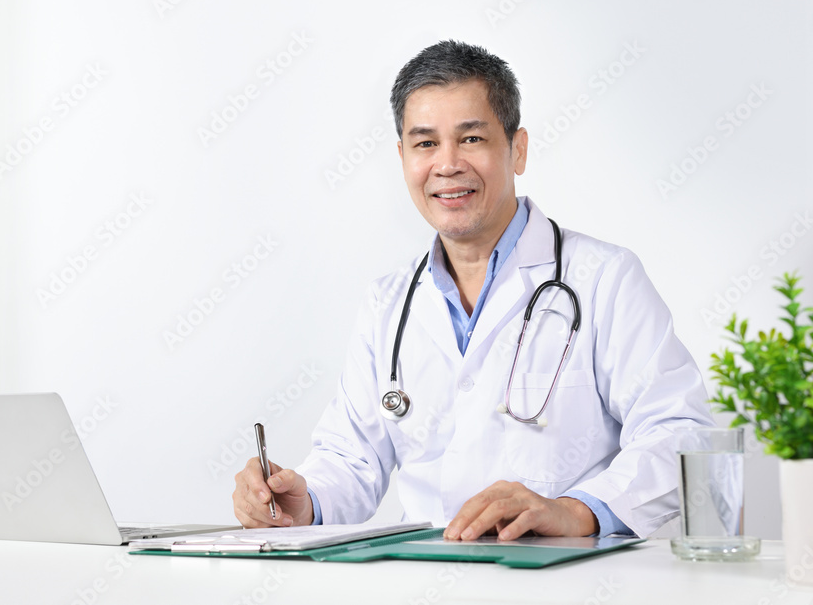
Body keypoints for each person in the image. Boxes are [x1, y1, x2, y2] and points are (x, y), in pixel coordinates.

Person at [232, 40, 714, 540]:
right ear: (402, 158)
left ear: (517, 148)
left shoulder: (604, 278)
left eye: (471, 139)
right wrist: (301, 500)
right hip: (424, 577)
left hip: (564, 582)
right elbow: (352, 458)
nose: (447, 164)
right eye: (425, 144)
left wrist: (577, 510)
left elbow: (680, 432)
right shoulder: (389, 303)